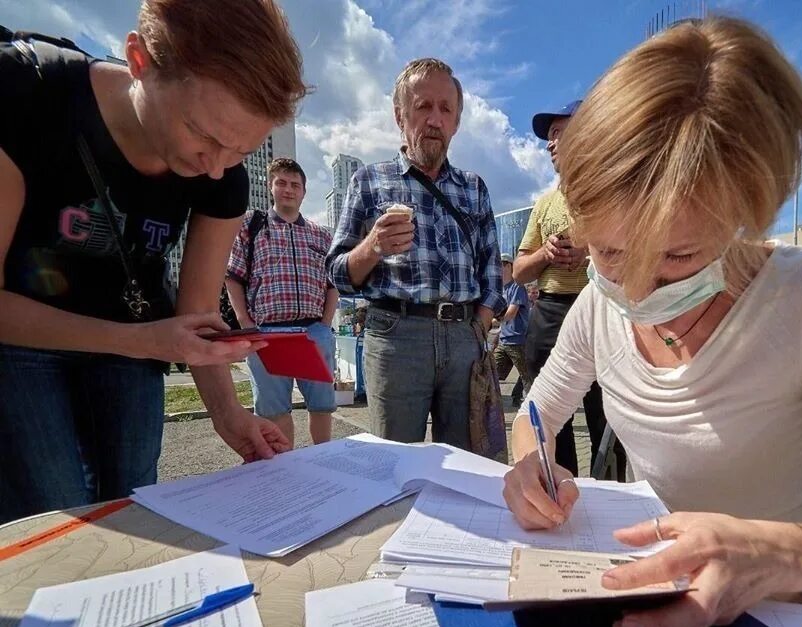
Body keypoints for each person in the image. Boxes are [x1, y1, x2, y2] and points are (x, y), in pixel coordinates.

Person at [502, 16, 802, 627]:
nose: (637, 292)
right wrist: (530, 467)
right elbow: (535, 413)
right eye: (607, 253)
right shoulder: (594, 311)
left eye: (678, 258)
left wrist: (777, 555)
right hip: (670, 605)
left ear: (747, 214)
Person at [0, 0, 306, 523]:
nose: (215, 170)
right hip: (22, 339)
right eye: (203, 135)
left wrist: (230, 417)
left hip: (135, 349)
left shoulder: (221, 171)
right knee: (56, 512)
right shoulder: (28, 93)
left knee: (132, 506)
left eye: (239, 151)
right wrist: (146, 340)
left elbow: (196, 311)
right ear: (139, 60)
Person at [326, 58, 504, 449]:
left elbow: (492, 269)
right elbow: (337, 273)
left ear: (456, 122)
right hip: (396, 337)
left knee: (467, 464)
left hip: (463, 337)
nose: (435, 119)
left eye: (446, 109)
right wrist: (372, 246)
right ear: (400, 115)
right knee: (395, 464)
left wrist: (480, 325)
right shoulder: (369, 181)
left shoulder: (474, 188)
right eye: (423, 107)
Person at [513, 100, 613, 476]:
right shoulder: (543, 205)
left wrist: (589, 253)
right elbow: (520, 271)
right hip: (550, 313)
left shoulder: (610, 196)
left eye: (558, 133)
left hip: (602, 309)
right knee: (551, 420)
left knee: (606, 418)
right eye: (548, 137)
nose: (549, 144)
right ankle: (561, 490)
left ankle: (611, 495)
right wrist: (546, 253)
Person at [226, 158, 338, 445]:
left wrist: (325, 324)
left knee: (322, 405)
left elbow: (332, 283)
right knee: (274, 409)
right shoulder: (252, 226)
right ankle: (286, 468)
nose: (288, 189)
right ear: (271, 187)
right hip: (268, 332)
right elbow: (233, 277)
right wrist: (246, 323)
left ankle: (323, 459)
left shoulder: (321, 234)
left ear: (304, 191)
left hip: (313, 331)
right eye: (282, 183)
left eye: (295, 185)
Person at [494, 254, 533, 406]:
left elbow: (510, 313)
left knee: (526, 376)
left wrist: (492, 319)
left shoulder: (517, 287)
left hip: (518, 340)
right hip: (504, 340)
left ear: (510, 266)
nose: (499, 268)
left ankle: (533, 406)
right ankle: (491, 405)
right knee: (491, 374)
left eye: (502, 264)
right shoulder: (501, 289)